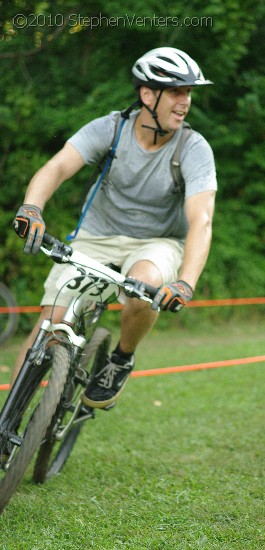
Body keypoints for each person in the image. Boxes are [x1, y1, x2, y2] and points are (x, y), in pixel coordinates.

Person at [12, 47, 217, 410]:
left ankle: (121, 357)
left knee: (144, 290)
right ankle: (6, 420)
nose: (185, 101)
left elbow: (201, 218)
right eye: (176, 91)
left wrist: (185, 281)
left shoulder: (193, 147)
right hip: (97, 237)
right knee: (51, 322)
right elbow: (57, 167)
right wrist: (32, 207)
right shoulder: (111, 128)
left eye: (189, 92)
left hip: (157, 242)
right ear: (147, 94)